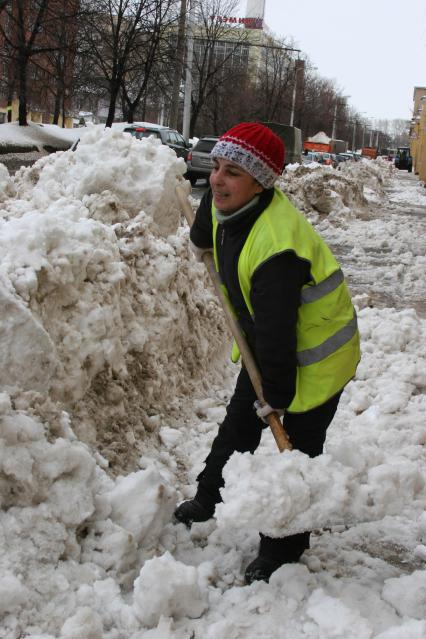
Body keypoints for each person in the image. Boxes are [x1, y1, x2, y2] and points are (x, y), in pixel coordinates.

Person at [174, 122, 360, 584]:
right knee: (239, 422)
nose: (217, 179)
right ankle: (208, 497)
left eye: (232, 172)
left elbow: (279, 335)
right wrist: (200, 238)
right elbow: (209, 217)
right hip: (267, 343)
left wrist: (275, 396)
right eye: (216, 166)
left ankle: (285, 545)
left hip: (316, 358)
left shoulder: (278, 248)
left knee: (296, 448)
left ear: (261, 182)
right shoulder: (230, 202)